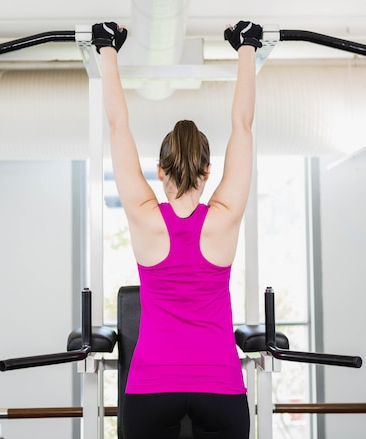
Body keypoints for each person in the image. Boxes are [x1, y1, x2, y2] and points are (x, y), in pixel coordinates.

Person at [93, 20, 261, 439]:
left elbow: (117, 126)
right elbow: (243, 126)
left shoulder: (145, 216)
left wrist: (107, 49)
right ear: (208, 170)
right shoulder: (223, 216)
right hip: (220, 387)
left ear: (159, 170)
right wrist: (247, 46)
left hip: (152, 389)